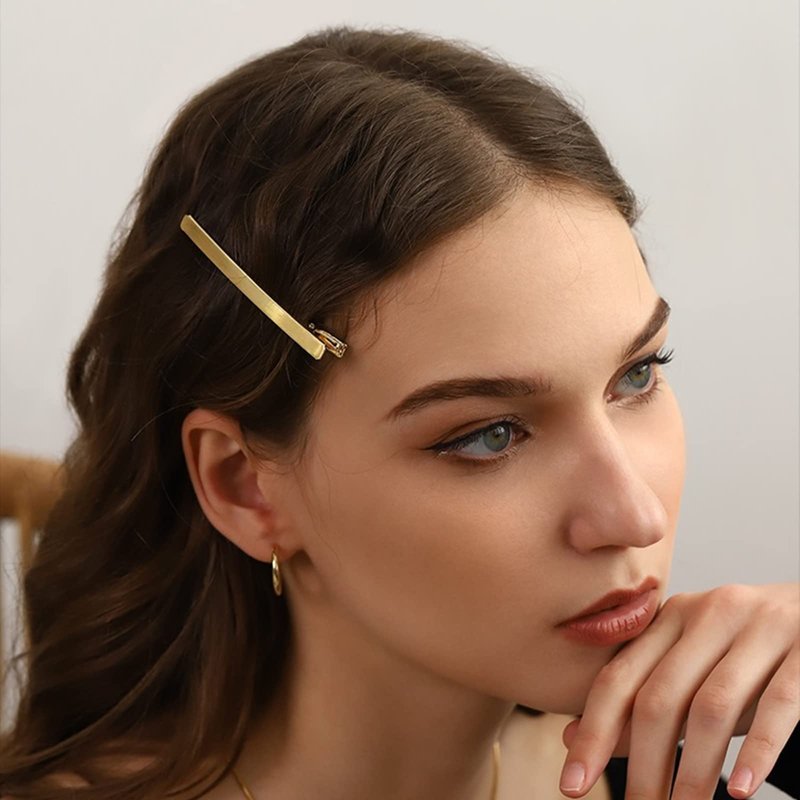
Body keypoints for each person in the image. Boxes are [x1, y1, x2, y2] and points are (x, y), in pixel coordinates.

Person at [0, 24, 797, 800]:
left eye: (637, 377)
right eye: (490, 436)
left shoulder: (690, 769)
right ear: (246, 487)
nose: (634, 516)